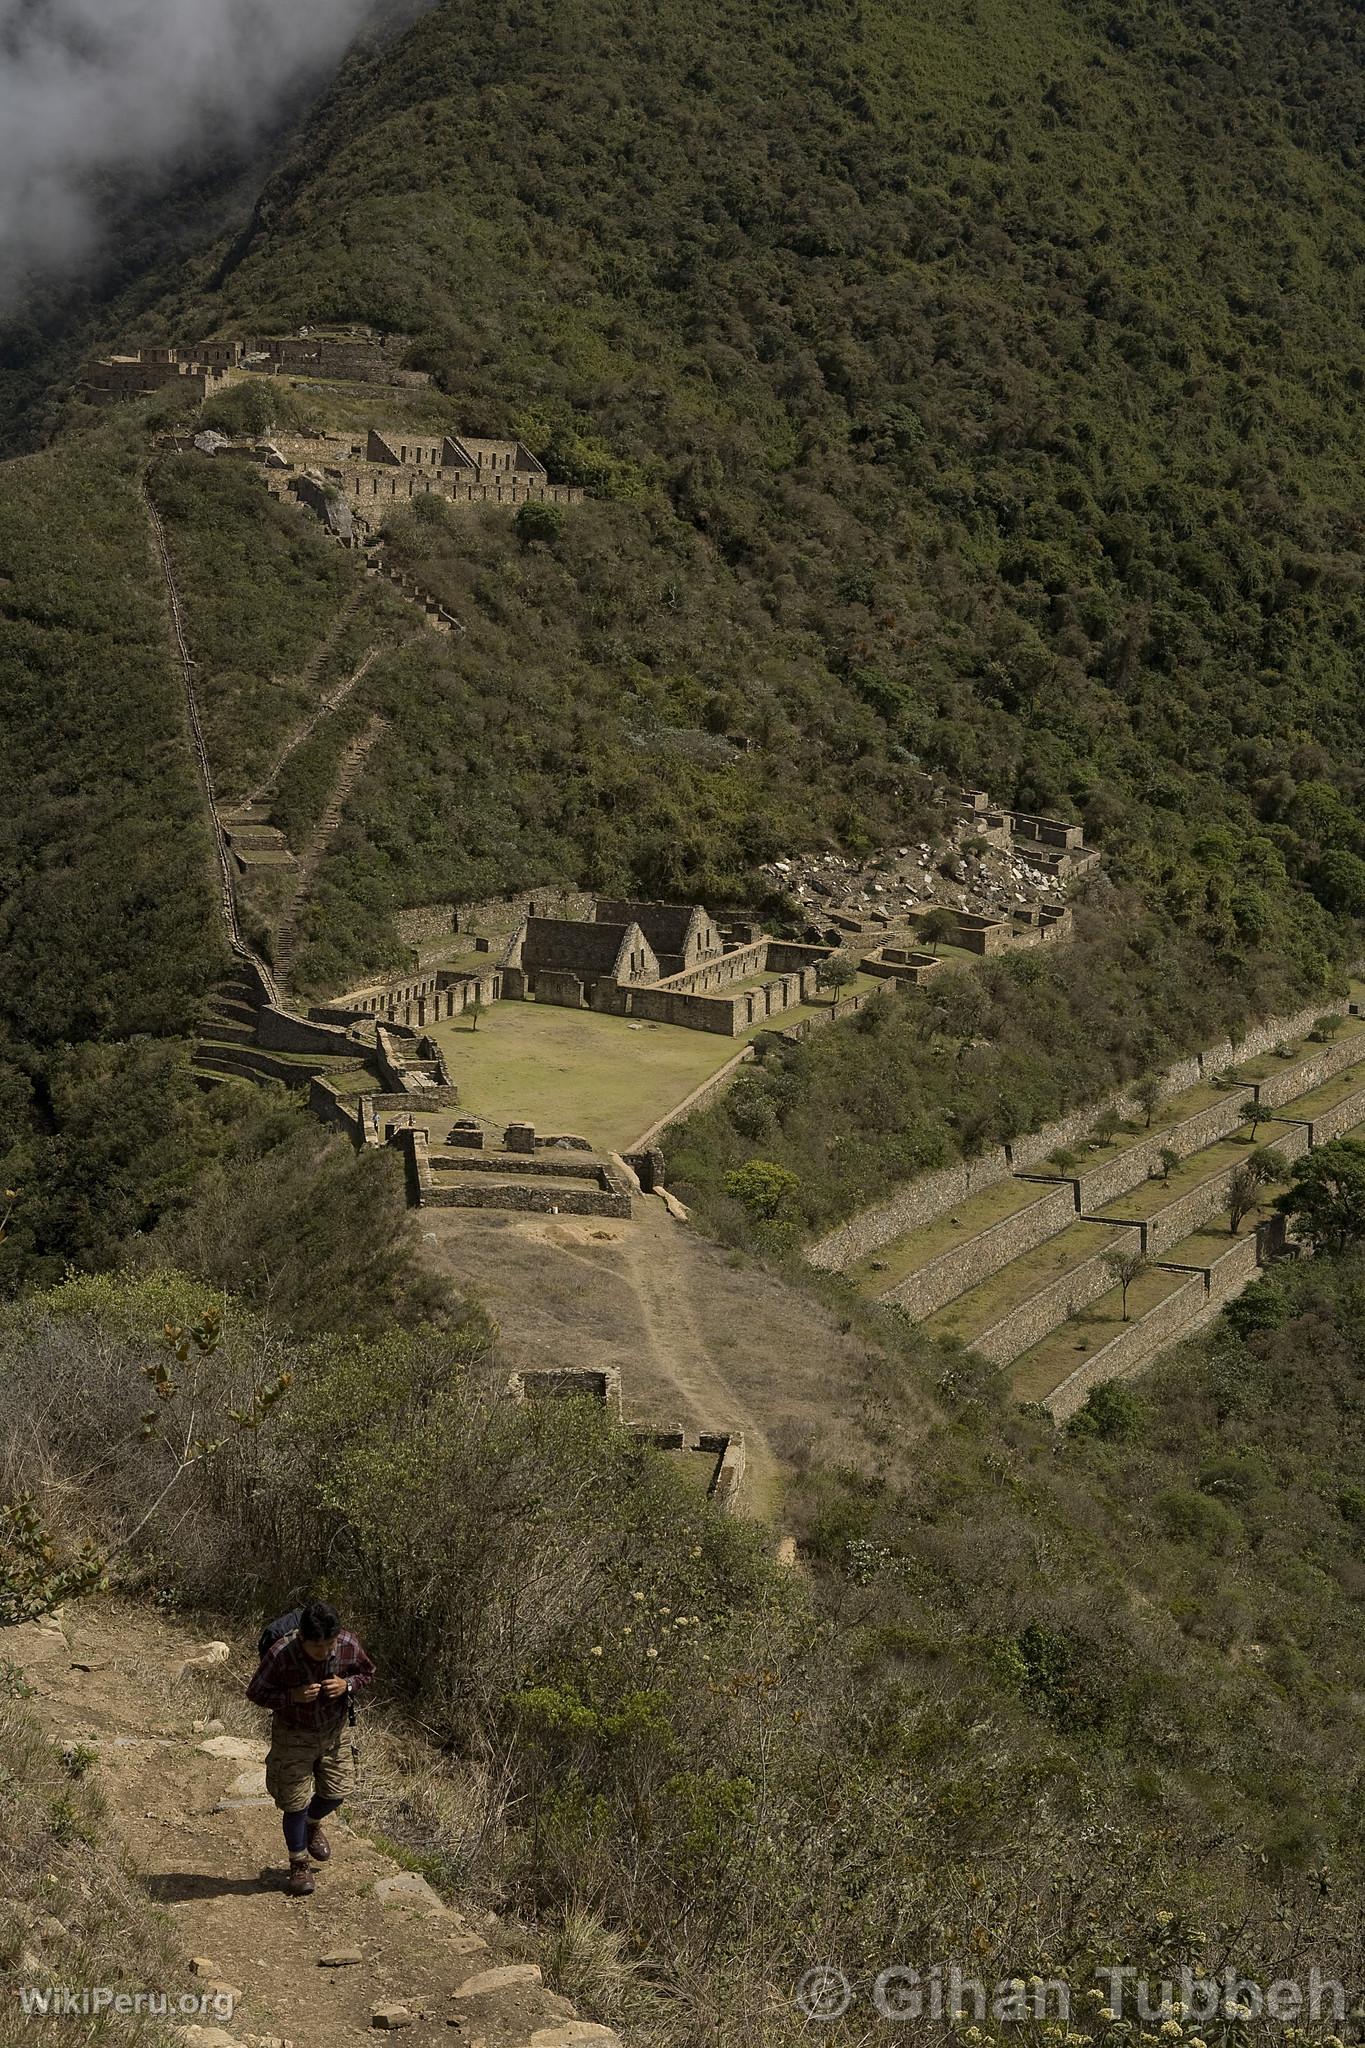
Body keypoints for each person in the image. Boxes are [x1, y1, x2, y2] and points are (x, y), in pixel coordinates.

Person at [246, 1599, 375, 1898]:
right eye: (318, 1647)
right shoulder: (282, 1653)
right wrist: (292, 1696)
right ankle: (298, 1864)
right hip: (293, 1734)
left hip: (334, 1732)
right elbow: (256, 1692)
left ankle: (312, 1823)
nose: (327, 1652)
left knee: (337, 1791)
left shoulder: (347, 1644)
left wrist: (348, 1685)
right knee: (294, 1802)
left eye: (330, 1644)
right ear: (302, 1638)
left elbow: (367, 1673)